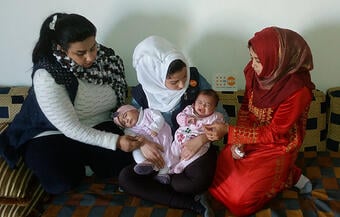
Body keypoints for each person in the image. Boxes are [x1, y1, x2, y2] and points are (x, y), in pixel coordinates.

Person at [0, 13, 163, 195]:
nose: (91, 57)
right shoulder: (47, 76)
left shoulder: (108, 59)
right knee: (60, 183)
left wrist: (136, 138)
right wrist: (116, 141)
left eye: (93, 47)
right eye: (81, 53)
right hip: (51, 130)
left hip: (95, 122)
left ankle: (83, 158)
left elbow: (119, 106)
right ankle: (76, 160)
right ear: (61, 49)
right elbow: (71, 128)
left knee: (124, 166)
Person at [204, 26, 315, 217]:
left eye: (257, 60)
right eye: (251, 57)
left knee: (239, 202)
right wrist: (239, 141)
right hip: (251, 135)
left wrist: (230, 133)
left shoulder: (297, 91)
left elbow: (274, 132)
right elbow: (247, 107)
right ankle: (282, 175)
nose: (252, 64)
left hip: (278, 144)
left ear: (278, 61)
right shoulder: (253, 73)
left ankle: (288, 176)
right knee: (213, 182)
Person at [119, 35, 228, 217]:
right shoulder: (141, 94)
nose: (181, 85)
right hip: (160, 151)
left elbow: (221, 115)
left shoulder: (194, 79)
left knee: (188, 183)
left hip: (194, 149)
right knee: (126, 178)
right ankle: (191, 204)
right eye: (173, 81)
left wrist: (201, 139)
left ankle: (161, 186)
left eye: (183, 77)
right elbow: (129, 126)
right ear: (154, 76)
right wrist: (143, 143)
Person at [113, 104, 174, 184]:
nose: (126, 121)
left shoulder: (148, 112)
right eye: (124, 123)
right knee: (135, 150)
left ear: (133, 109)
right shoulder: (130, 130)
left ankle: (163, 174)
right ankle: (144, 163)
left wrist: (155, 128)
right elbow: (131, 138)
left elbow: (159, 118)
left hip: (162, 137)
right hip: (146, 145)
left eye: (125, 115)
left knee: (166, 153)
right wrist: (137, 140)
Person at [170, 89, 225, 174]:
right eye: (199, 102)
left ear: (214, 108)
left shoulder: (216, 117)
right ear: (194, 102)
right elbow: (179, 117)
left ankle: (182, 165)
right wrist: (186, 119)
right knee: (173, 152)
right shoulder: (189, 110)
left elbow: (220, 128)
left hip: (200, 144)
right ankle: (170, 166)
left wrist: (211, 130)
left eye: (207, 105)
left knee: (198, 154)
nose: (202, 106)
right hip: (180, 138)